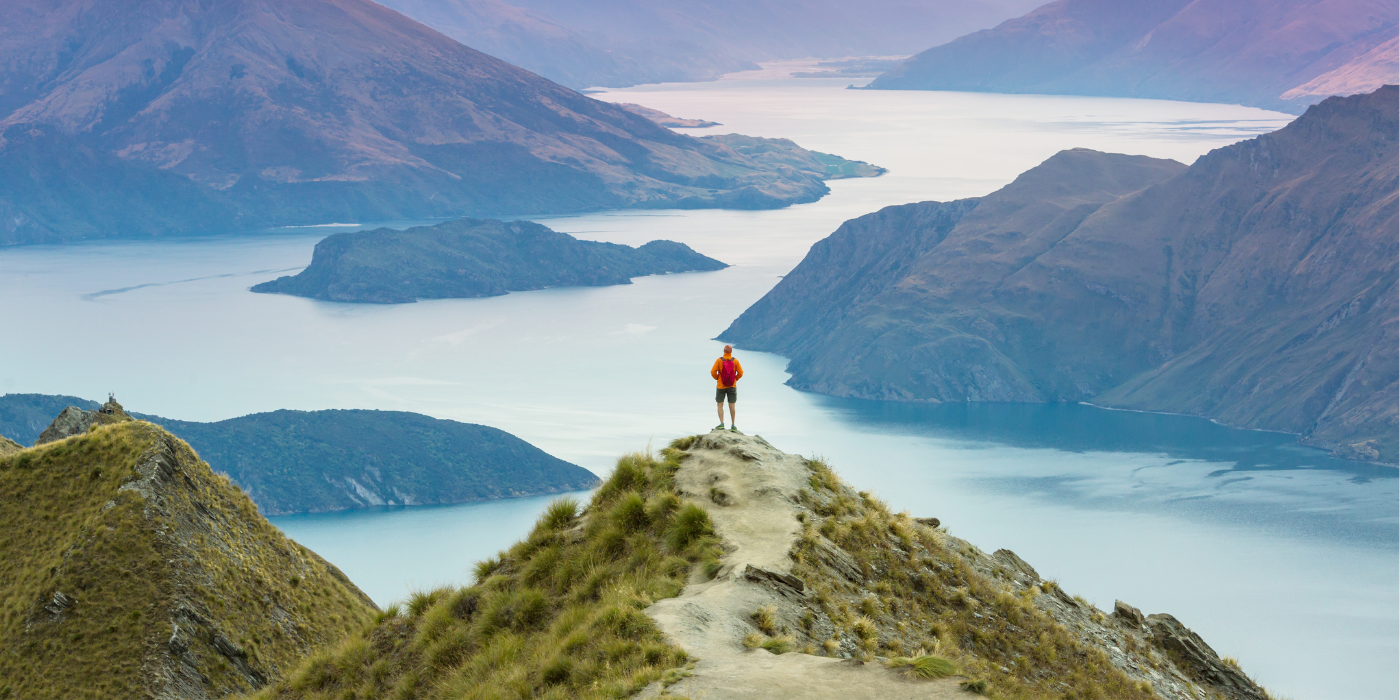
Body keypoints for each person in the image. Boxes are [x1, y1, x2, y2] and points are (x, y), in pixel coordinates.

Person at [711, 344, 743, 432]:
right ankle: (733, 425)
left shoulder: (719, 360)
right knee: (732, 405)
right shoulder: (735, 361)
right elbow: (740, 372)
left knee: (720, 405)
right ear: (731, 352)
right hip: (732, 386)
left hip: (721, 386)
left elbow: (713, 371)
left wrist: (718, 378)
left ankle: (722, 424)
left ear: (724, 351)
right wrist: (735, 379)